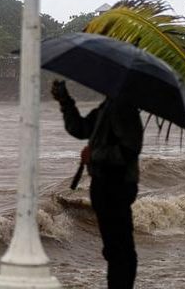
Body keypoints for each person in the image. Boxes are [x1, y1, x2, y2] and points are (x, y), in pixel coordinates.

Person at [51, 80, 143, 289]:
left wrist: (95, 154)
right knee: (114, 248)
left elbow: (130, 149)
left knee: (119, 249)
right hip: (104, 184)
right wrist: (66, 102)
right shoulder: (108, 106)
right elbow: (81, 129)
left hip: (116, 185)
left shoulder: (123, 108)